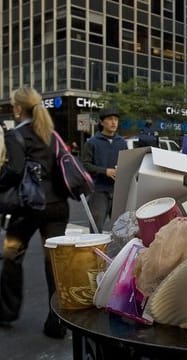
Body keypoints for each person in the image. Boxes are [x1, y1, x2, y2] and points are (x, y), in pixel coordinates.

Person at [0, 86, 69, 338]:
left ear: (18, 108)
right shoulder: (51, 133)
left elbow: (15, 171)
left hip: (27, 207)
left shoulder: (16, 135)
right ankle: (57, 323)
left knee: (11, 254)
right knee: (54, 265)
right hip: (58, 207)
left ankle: (6, 311)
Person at [81, 108, 127, 233]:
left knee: (121, 229)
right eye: (110, 119)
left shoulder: (122, 143)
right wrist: (105, 171)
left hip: (118, 191)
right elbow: (85, 165)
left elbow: (127, 164)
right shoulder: (92, 143)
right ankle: (94, 252)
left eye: (116, 120)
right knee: (96, 228)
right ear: (102, 122)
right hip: (98, 191)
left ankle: (118, 253)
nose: (114, 123)